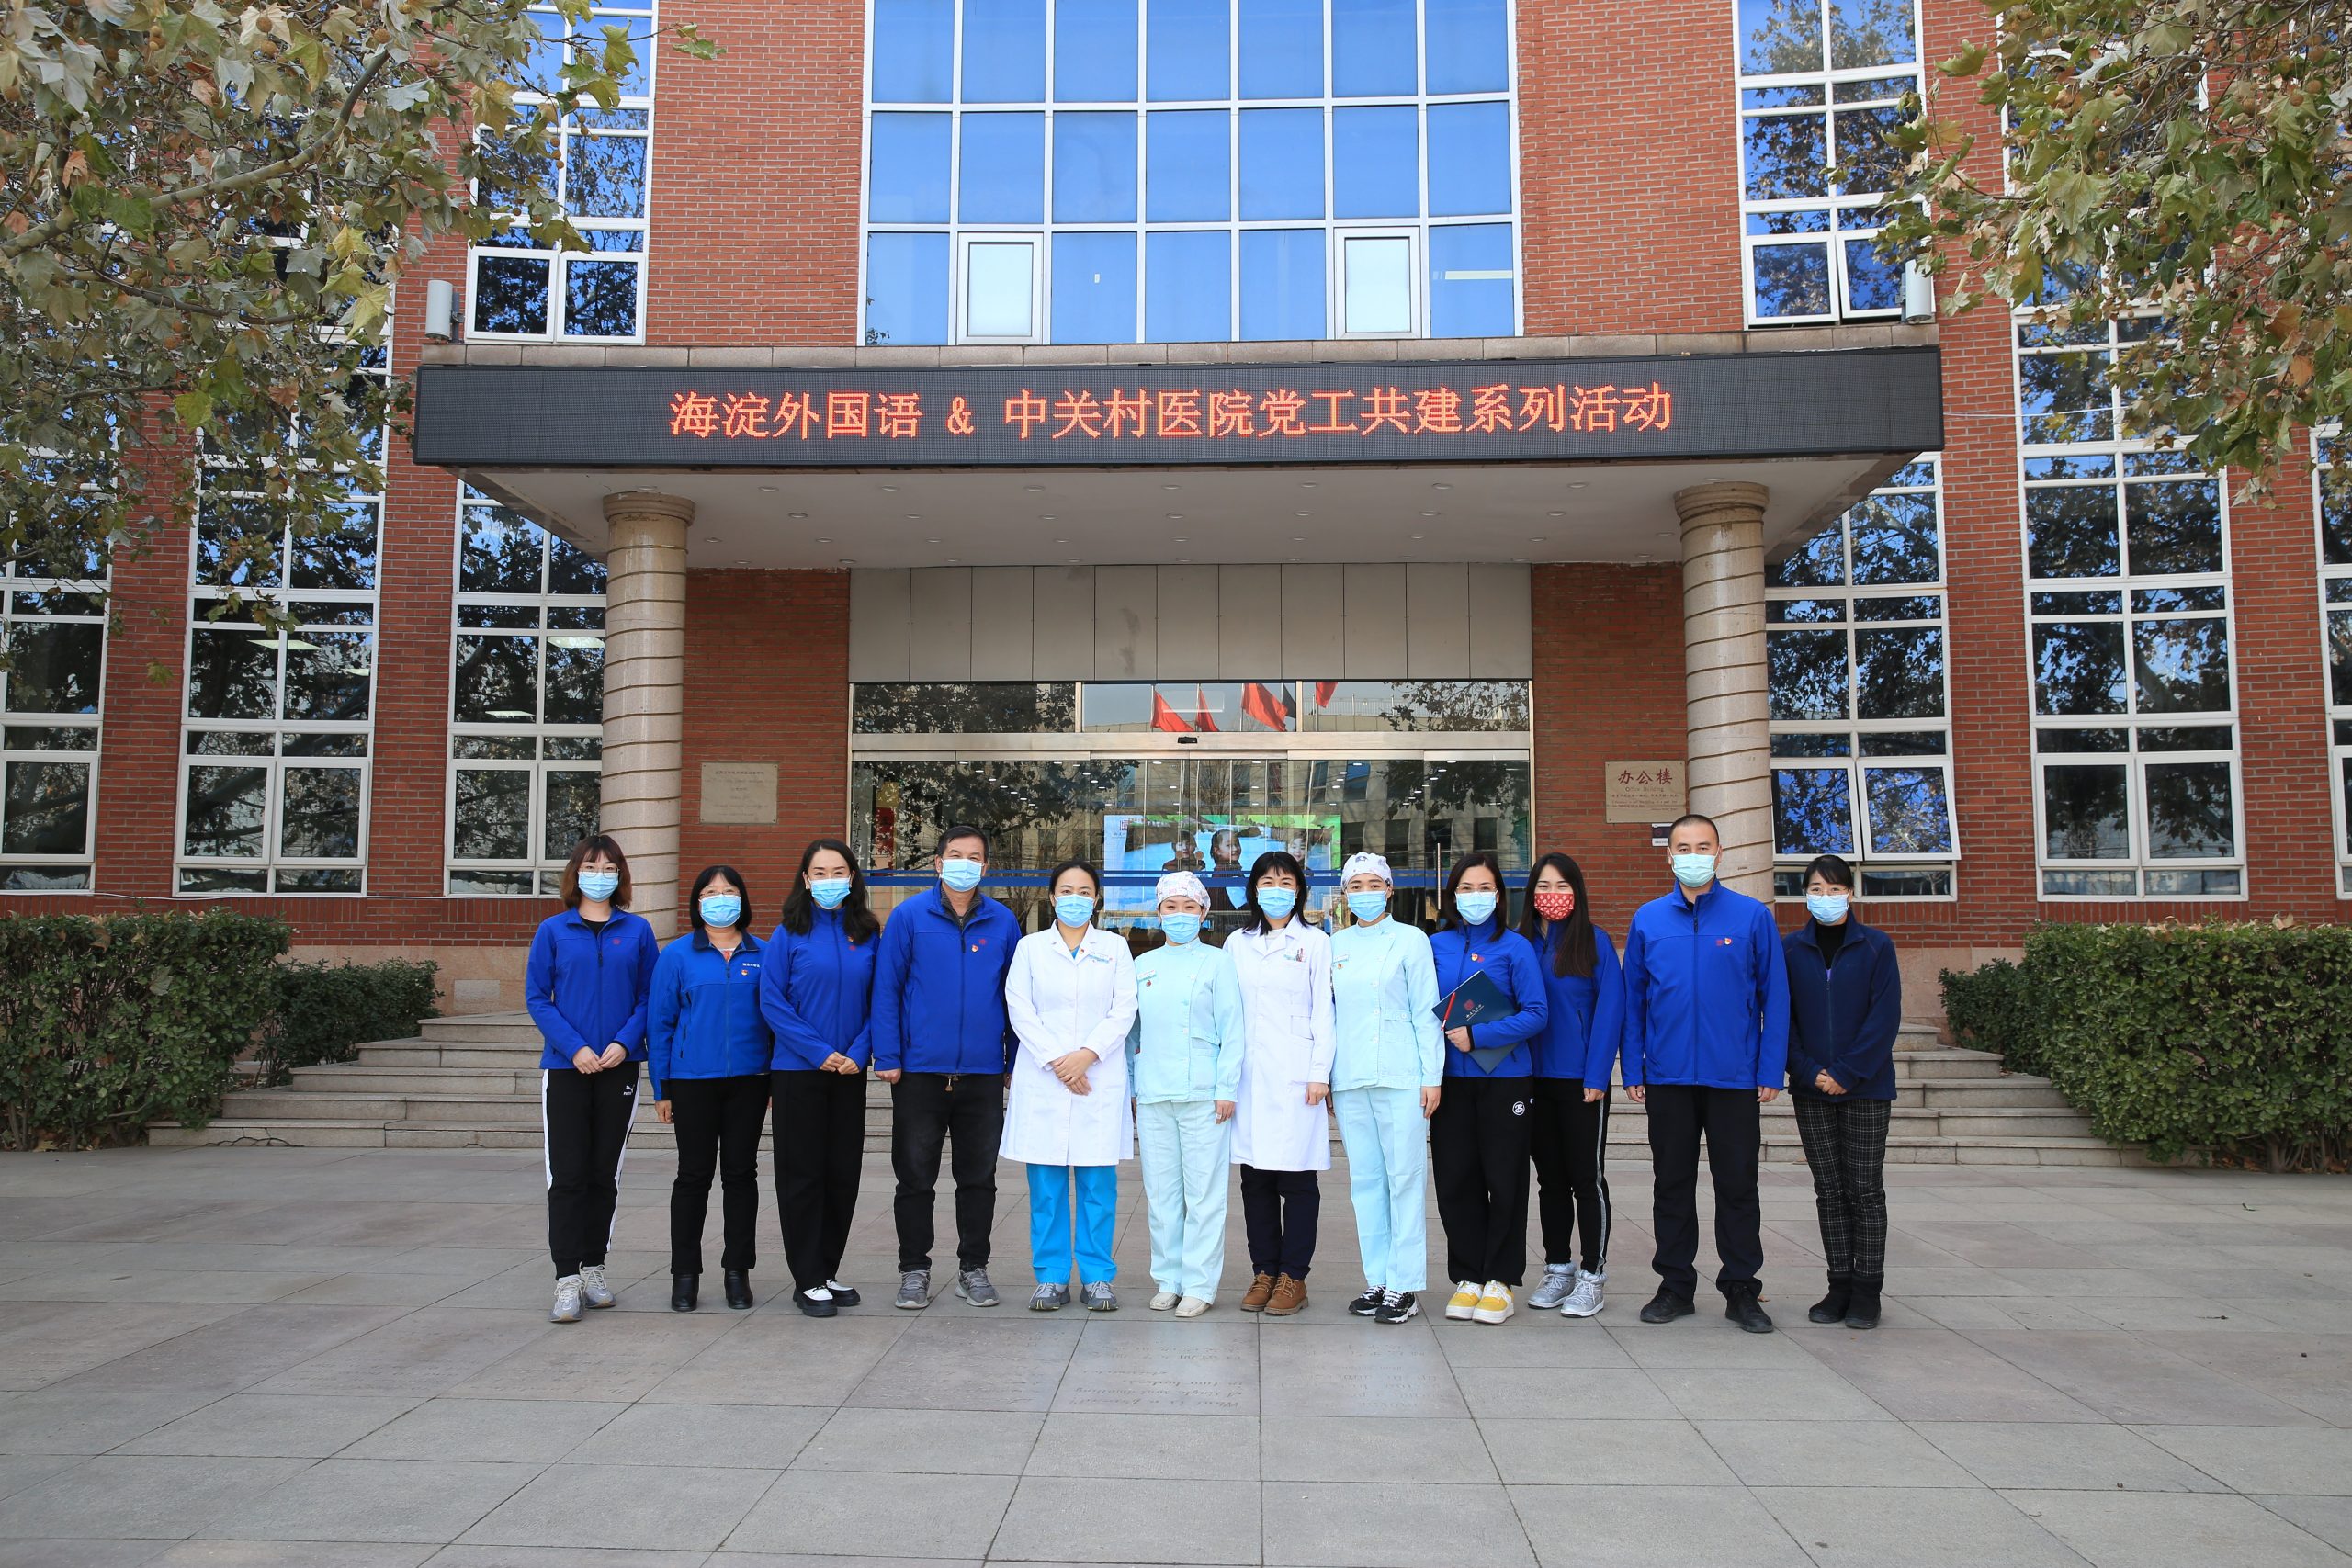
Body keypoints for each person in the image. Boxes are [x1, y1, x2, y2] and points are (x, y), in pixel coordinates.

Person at [1621, 813, 1791, 1335]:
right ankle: (1675, 1285)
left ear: (1719, 853)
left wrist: (1770, 1066)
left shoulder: (1751, 917)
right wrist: (1634, 1064)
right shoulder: (1648, 919)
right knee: (1671, 1184)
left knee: (1737, 1186)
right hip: (1668, 1076)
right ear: (1668, 855)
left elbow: (1776, 997)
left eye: (1703, 847)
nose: (1693, 856)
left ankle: (1742, 1288)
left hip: (1733, 1077)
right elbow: (1634, 1000)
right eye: (1683, 847)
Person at [870, 824, 1022, 1311]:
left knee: (978, 1179)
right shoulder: (909, 916)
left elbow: (1016, 998)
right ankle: (914, 1270)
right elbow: (887, 988)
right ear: (938, 864)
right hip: (919, 1072)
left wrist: (1013, 1059)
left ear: (985, 867)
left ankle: (973, 1268)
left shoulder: (1003, 922)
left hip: (982, 1072)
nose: (964, 864)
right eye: (955, 855)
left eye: (974, 857)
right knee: (915, 1177)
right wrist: (888, 1055)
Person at [526, 835, 661, 1325]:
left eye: (609, 867)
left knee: (604, 1173)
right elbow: (538, 997)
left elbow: (650, 997)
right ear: (575, 873)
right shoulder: (553, 931)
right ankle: (566, 1278)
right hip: (567, 1068)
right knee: (567, 1175)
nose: (599, 874)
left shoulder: (638, 931)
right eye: (590, 865)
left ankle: (593, 1268)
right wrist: (575, 1048)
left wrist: (624, 1043)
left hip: (618, 1067)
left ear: (620, 875)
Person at [1003, 859, 1137, 1312]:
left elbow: (1124, 1009)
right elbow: (1019, 1008)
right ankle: (1051, 1276)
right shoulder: (1030, 948)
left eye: (1084, 891)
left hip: (1097, 1074)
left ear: (1096, 899)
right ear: (1052, 896)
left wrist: (1087, 1055)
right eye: (1066, 890)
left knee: (1099, 1187)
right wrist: (1060, 1062)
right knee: (1046, 1188)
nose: (1075, 898)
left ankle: (1097, 1277)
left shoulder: (1116, 947)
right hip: (1046, 1076)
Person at [1428, 852, 1549, 1325]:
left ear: (1499, 896)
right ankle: (1467, 1277)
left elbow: (1537, 1014)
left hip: (1505, 1080)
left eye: (1484, 888)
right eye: (1466, 888)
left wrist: (1480, 1035)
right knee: (1456, 1180)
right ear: (1452, 895)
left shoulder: (1515, 947)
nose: (1474, 897)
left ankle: (1500, 1279)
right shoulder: (1434, 945)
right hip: (1450, 1083)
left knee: (1505, 1179)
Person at [760, 838, 879, 1318]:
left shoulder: (868, 933)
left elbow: (880, 1001)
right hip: (799, 1071)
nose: (830, 881)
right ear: (806, 880)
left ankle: (827, 1270)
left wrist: (858, 1053)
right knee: (802, 1175)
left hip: (849, 1071)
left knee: (842, 1175)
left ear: (852, 878)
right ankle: (806, 1277)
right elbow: (772, 1002)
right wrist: (818, 1052)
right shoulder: (788, 934)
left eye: (838, 872)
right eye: (820, 873)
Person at [1783, 852, 1902, 1332]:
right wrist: (1808, 1070)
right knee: (1829, 1191)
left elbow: (1885, 1016)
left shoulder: (1876, 946)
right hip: (1811, 1088)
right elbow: (1782, 1018)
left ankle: (1867, 1291)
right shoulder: (1791, 949)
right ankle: (1838, 1285)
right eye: (1816, 889)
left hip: (1866, 1087)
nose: (1825, 897)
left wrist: (1848, 1072)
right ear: (1804, 894)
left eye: (1834, 889)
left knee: (1864, 1189)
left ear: (1850, 893)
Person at [648, 866, 774, 1313]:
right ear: (697, 902)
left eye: (729, 890)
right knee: (693, 1176)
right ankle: (685, 1274)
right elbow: (660, 1024)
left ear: (743, 898)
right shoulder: (676, 956)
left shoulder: (765, 953)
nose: (721, 898)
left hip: (750, 1082)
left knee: (741, 1176)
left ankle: (737, 1271)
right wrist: (661, 1088)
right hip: (691, 1082)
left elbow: (775, 1020)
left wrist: (773, 1078)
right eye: (710, 892)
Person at [1329, 851, 1443, 1325]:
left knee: (1405, 1179)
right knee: (1366, 1182)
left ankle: (1405, 1284)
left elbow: (1426, 1011)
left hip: (1402, 1076)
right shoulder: (1335, 944)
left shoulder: (1411, 940)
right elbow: (1328, 1015)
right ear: (1344, 894)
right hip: (1351, 1076)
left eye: (1374, 885)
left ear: (1390, 890)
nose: (1365, 893)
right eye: (1356, 886)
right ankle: (1377, 1278)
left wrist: (1432, 1076)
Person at [1128, 870, 1248, 1316]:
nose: (1180, 915)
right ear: (1159, 913)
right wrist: (1133, 1084)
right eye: (1171, 907)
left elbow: (1233, 1029)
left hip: (1204, 1092)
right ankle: (1168, 1278)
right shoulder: (1142, 965)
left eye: (1189, 907)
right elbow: (1131, 1032)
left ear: (1203, 913)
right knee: (1161, 1194)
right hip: (1155, 1091)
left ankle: (1199, 1283)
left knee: (1203, 1195)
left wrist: (1226, 1088)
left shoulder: (1218, 962)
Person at [1515, 853, 1624, 1319]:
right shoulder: (1519, 943)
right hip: (1531, 1080)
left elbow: (1610, 1012)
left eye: (1562, 885)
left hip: (1581, 1082)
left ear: (1576, 891)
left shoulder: (1594, 942)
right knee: (1550, 1180)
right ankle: (1558, 1267)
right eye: (1543, 885)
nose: (1552, 894)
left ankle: (1592, 1274)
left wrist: (1598, 1075)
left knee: (1586, 1178)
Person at [1227, 850, 1335, 1316]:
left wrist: (1319, 1074)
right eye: (1267, 882)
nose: (1276, 890)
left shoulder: (1315, 942)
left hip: (1296, 1077)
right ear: (1254, 890)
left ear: (1299, 890)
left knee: (1298, 1179)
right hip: (1249, 1077)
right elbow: (1228, 1013)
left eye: (1286, 882)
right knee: (1255, 1181)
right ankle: (1264, 1272)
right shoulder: (1237, 943)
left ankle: (1294, 1276)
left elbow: (1324, 1012)